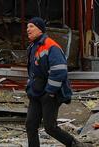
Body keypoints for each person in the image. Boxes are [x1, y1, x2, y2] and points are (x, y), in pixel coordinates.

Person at [24, 17, 79, 147]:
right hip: (36, 93)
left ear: (40, 29)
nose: (28, 29)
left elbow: (59, 71)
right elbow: (33, 71)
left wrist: (50, 92)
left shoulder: (51, 46)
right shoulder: (32, 47)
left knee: (50, 127)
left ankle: (74, 144)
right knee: (30, 125)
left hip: (50, 94)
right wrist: (30, 87)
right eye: (27, 27)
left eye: (31, 26)